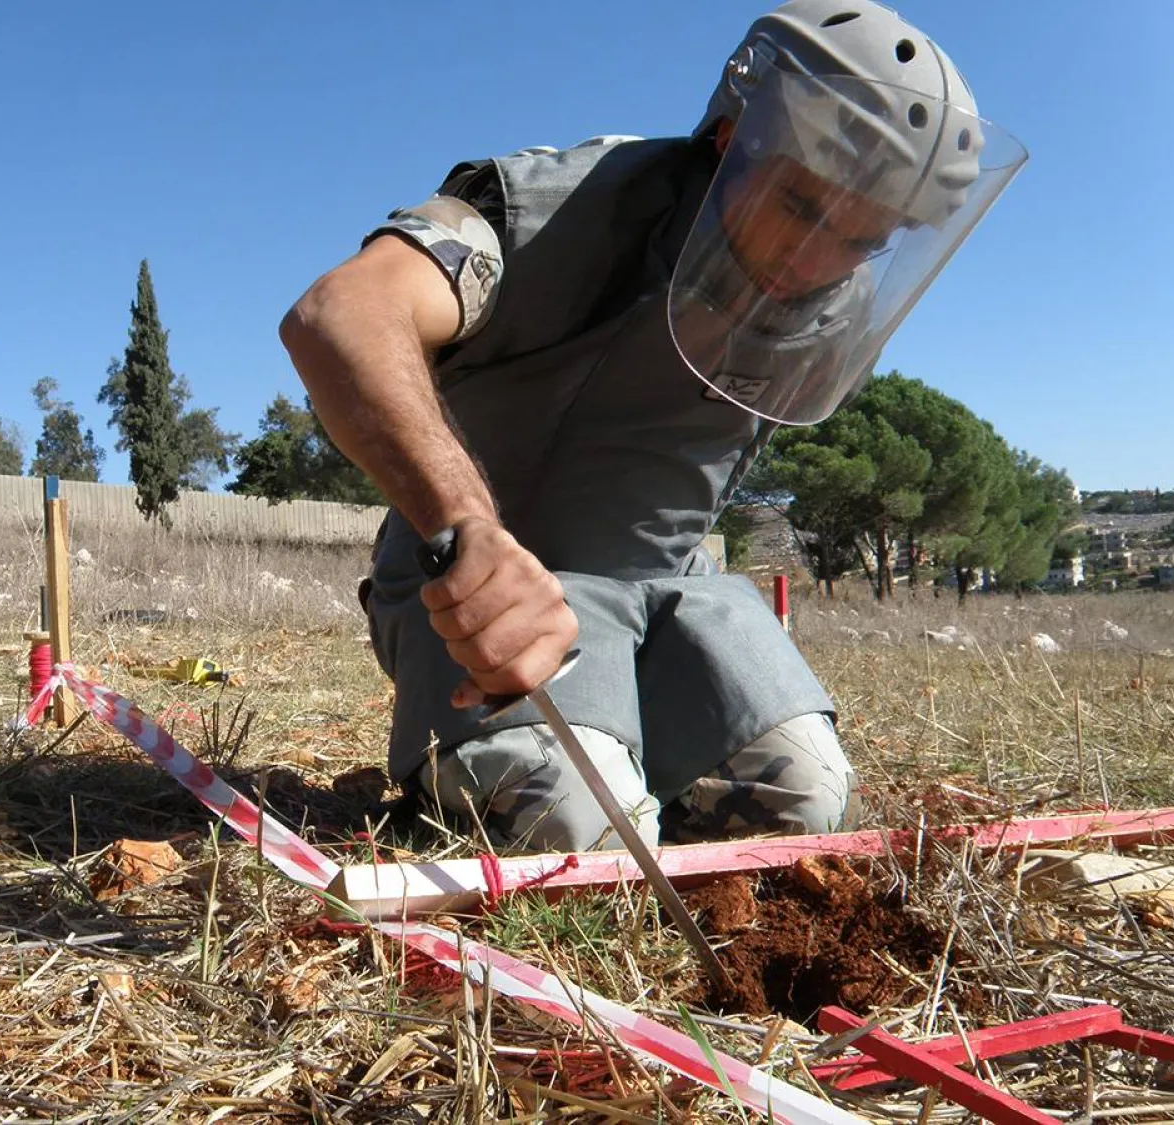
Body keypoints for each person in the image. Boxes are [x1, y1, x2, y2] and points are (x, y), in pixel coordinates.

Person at [278, 0, 1026, 854]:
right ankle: (486, 773)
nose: (817, 263)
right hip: (493, 595)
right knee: (577, 825)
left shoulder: (831, 303)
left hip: (668, 596)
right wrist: (468, 528)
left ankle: (622, 747)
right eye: (800, 206)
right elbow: (340, 314)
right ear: (729, 138)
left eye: (863, 239)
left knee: (803, 800)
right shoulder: (555, 210)